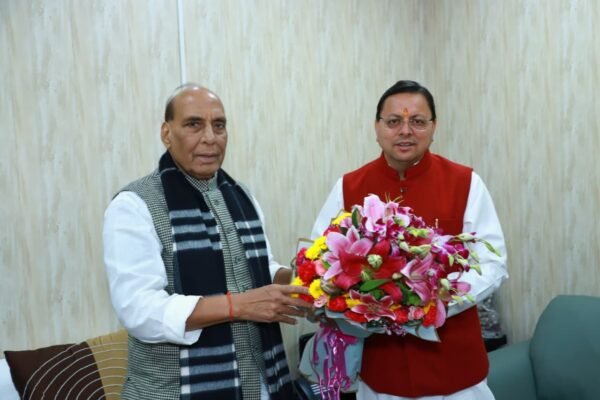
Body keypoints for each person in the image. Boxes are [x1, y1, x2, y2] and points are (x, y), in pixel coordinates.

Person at [103, 83, 312, 400]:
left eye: (219, 125)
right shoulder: (134, 204)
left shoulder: (241, 195)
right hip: (174, 391)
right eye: (193, 124)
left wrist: (300, 279)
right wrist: (239, 305)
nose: (210, 138)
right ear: (166, 133)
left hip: (257, 384)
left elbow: (257, 270)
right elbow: (139, 310)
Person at [311, 80, 508, 400]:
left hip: (455, 370)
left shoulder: (465, 182)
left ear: (434, 127)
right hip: (381, 371)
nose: (405, 131)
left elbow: (492, 262)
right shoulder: (348, 187)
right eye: (393, 121)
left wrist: (435, 303)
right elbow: (319, 261)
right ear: (377, 127)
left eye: (417, 121)